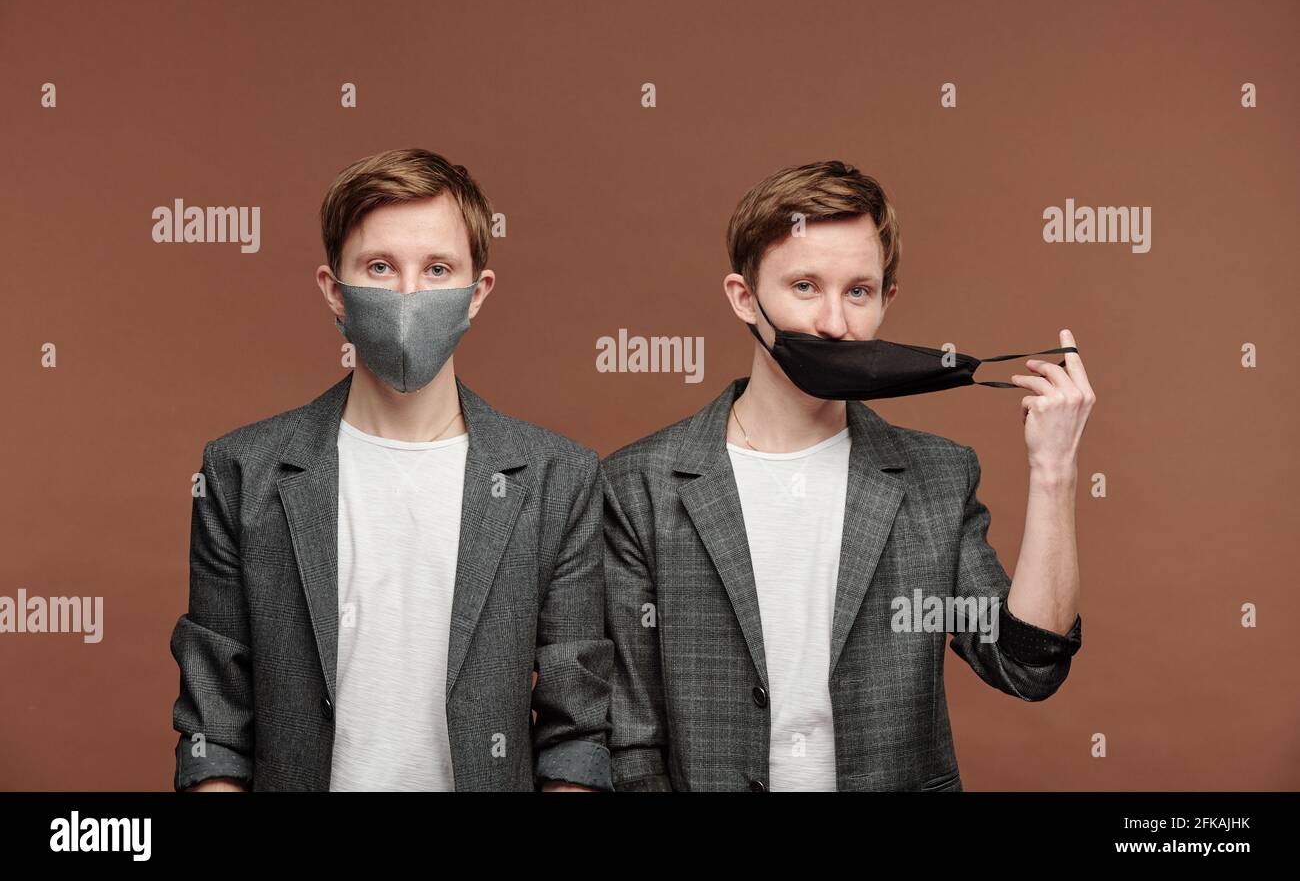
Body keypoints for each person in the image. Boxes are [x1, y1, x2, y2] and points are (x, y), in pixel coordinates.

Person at [602, 160, 1091, 791]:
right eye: (804, 286)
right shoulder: (640, 485)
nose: (834, 324)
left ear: (887, 301)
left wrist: (1055, 471)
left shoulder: (935, 476)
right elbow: (632, 740)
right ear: (744, 298)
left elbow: (1027, 666)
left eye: (857, 291)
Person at [170, 148, 612, 791]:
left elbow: (576, 732)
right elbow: (215, 724)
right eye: (380, 267)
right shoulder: (243, 472)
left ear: (476, 294)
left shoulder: (556, 479)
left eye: (437, 269)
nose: (409, 295)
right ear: (334, 290)